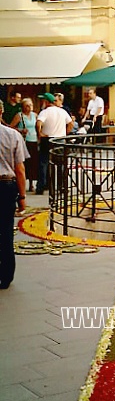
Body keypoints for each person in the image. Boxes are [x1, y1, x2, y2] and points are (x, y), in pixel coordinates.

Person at [0, 99, 27, 289]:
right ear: (1, 112)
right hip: (6, 186)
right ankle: (6, 275)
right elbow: (20, 169)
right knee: (6, 231)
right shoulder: (12, 135)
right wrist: (23, 197)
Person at [35, 93, 73, 195]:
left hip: (47, 139)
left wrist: (40, 134)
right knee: (61, 165)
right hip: (60, 139)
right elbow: (70, 123)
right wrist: (65, 133)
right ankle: (62, 187)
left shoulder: (44, 112)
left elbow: (38, 123)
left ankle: (41, 186)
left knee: (44, 163)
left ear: (46, 102)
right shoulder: (62, 111)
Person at [10, 98, 38, 192]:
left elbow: (39, 126)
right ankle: (22, 184)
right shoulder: (19, 115)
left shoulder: (35, 115)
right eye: (27, 105)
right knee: (24, 163)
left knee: (33, 163)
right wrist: (21, 130)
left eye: (31, 105)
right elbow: (11, 127)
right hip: (24, 141)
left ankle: (31, 184)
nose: (29, 107)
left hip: (34, 141)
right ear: (23, 107)